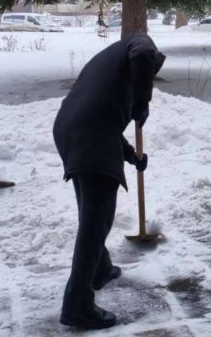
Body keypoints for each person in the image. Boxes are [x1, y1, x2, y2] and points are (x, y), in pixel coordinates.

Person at [53, 33, 165, 330]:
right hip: (90, 134)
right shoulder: (141, 45)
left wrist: (130, 156)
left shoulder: (111, 63)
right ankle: (77, 304)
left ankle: (100, 269)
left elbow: (104, 116)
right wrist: (143, 101)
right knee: (96, 220)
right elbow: (143, 54)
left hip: (72, 128)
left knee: (92, 211)